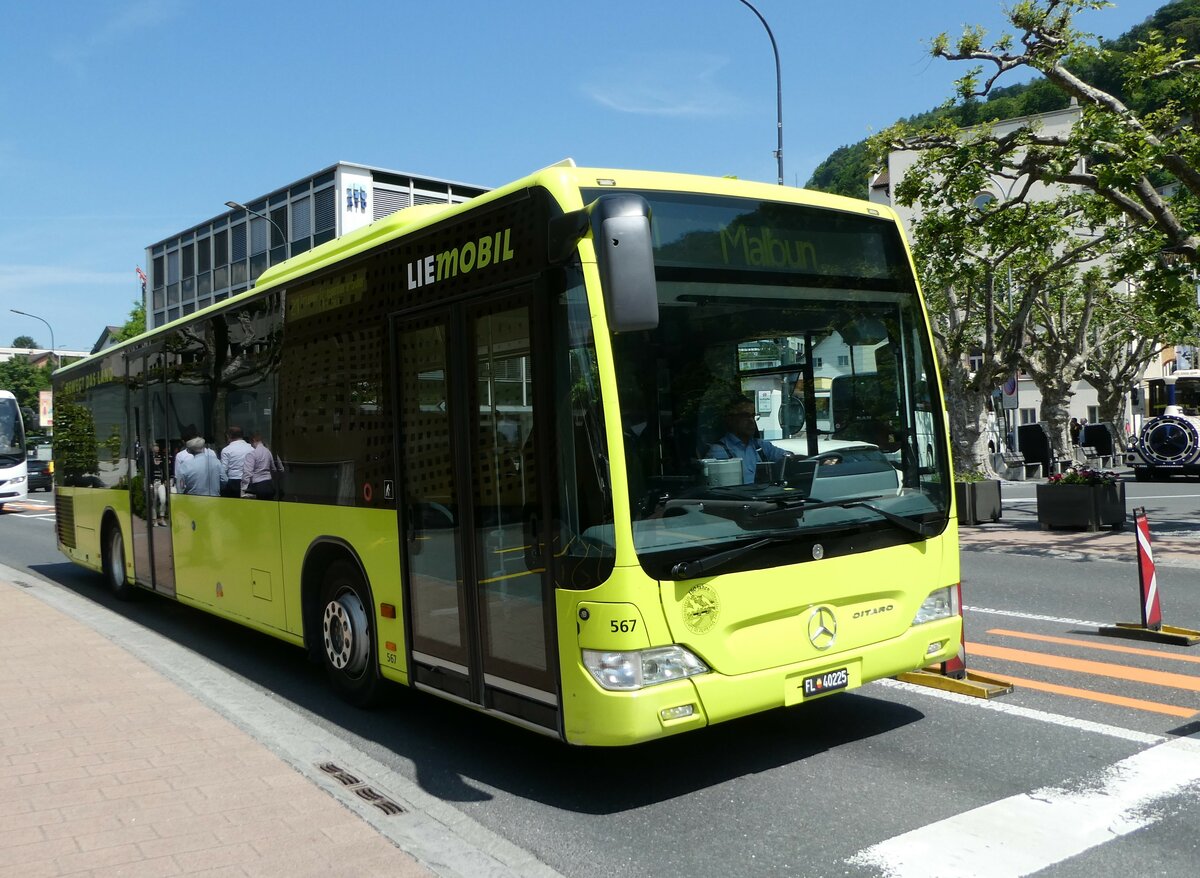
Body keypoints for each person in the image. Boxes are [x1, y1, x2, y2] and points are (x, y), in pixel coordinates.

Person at [706, 396, 789, 484]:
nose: (751, 421)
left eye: (753, 416)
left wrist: (792, 458)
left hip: (764, 496)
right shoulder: (719, 451)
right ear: (730, 420)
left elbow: (787, 458)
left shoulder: (761, 446)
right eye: (745, 416)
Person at [241, 431, 281, 499]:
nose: (251, 445)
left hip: (257, 486)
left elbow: (247, 473)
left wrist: (244, 489)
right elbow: (273, 469)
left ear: (253, 440)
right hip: (269, 485)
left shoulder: (252, 454)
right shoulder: (268, 452)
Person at [219, 426, 253, 498]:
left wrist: (226, 484)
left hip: (233, 481)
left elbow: (223, 471)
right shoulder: (251, 449)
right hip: (249, 481)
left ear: (229, 436)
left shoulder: (226, 450)